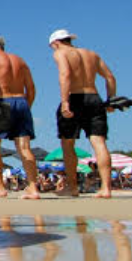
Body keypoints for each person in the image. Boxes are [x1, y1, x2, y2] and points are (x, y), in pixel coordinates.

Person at [49, 29, 117, 198]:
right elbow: (110, 77)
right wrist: (110, 100)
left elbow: (65, 75)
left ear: (56, 43)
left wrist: (65, 102)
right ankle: (106, 188)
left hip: (74, 98)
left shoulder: (60, 53)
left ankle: (72, 188)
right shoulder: (91, 54)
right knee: (99, 143)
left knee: (68, 143)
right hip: (94, 97)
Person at [0, 34, 40, 200]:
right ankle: (33, 188)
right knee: (24, 147)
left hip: (2, 102)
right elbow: (31, 87)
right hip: (21, 101)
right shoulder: (19, 60)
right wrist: (26, 106)